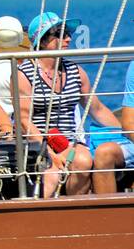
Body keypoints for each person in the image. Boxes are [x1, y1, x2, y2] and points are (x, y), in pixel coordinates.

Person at [18, 12, 124, 196]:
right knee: (51, 176)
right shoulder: (24, 74)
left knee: (83, 161)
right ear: (42, 41)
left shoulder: (75, 71)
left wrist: (127, 132)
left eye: (68, 33)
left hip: (70, 143)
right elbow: (24, 120)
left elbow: (96, 109)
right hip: (38, 144)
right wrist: (49, 152)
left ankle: (75, 215)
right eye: (60, 34)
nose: (67, 38)